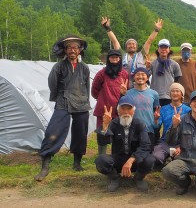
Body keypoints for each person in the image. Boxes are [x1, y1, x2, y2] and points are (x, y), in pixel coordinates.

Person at [35, 35, 91, 182]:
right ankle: (45, 164)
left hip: (81, 103)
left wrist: (85, 101)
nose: (72, 50)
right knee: (54, 130)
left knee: (81, 133)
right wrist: (59, 96)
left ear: (79, 51)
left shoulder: (84, 68)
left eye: (75, 47)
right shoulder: (58, 67)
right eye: (69, 47)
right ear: (65, 50)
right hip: (63, 101)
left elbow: (87, 87)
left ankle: (77, 162)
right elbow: (52, 84)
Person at [94, 96, 155, 192]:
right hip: (118, 159)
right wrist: (105, 125)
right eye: (123, 108)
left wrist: (131, 160)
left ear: (133, 111)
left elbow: (146, 145)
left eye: (129, 109)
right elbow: (102, 142)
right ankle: (114, 178)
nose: (126, 112)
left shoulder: (139, 124)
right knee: (101, 160)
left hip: (135, 160)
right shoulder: (114, 123)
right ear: (118, 111)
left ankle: (138, 178)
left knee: (150, 160)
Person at [101, 16, 163, 88]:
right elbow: (114, 41)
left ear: (136, 47)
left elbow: (149, 41)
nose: (131, 45)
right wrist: (107, 28)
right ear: (126, 47)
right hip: (124, 86)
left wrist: (156, 30)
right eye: (129, 44)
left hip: (139, 86)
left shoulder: (141, 54)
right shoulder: (122, 54)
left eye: (133, 44)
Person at [91, 49, 129, 155]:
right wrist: (103, 99)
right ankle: (101, 157)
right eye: (112, 58)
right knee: (102, 133)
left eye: (117, 58)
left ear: (120, 59)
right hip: (104, 109)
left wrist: (123, 94)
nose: (114, 60)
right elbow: (94, 90)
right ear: (108, 59)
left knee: (119, 134)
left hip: (119, 109)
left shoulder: (124, 74)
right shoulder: (101, 73)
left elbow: (127, 91)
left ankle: (116, 156)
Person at [152, 83, 191, 165]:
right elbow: (157, 126)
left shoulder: (188, 110)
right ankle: (167, 158)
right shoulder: (163, 109)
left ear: (182, 94)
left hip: (180, 144)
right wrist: (155, 120)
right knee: (155, 157)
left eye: (177, 91)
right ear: (170, 94)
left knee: (181, 159)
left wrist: (182, 146)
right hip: (165, 142)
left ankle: (172, 159)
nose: (175, 93)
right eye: (173, 91)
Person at [124, 67, 160, 148]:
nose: (140, 77)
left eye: (143, 74)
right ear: (133, 77)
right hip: (132, 130)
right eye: (138, 74)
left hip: (149, 130)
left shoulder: (154, 94)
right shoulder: (128, 93)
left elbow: (155, 112)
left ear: (147, 78)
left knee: (148, 156)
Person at [149, 39, 182, 106]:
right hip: (155, 96)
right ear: (158, 49)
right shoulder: (152, 64)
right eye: (161, 47)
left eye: (166, 47)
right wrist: (147, 68)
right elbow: (146, 78)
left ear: (169, 50)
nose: (163, 49)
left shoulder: (174, 64)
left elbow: (177, 81)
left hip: (170, 96)